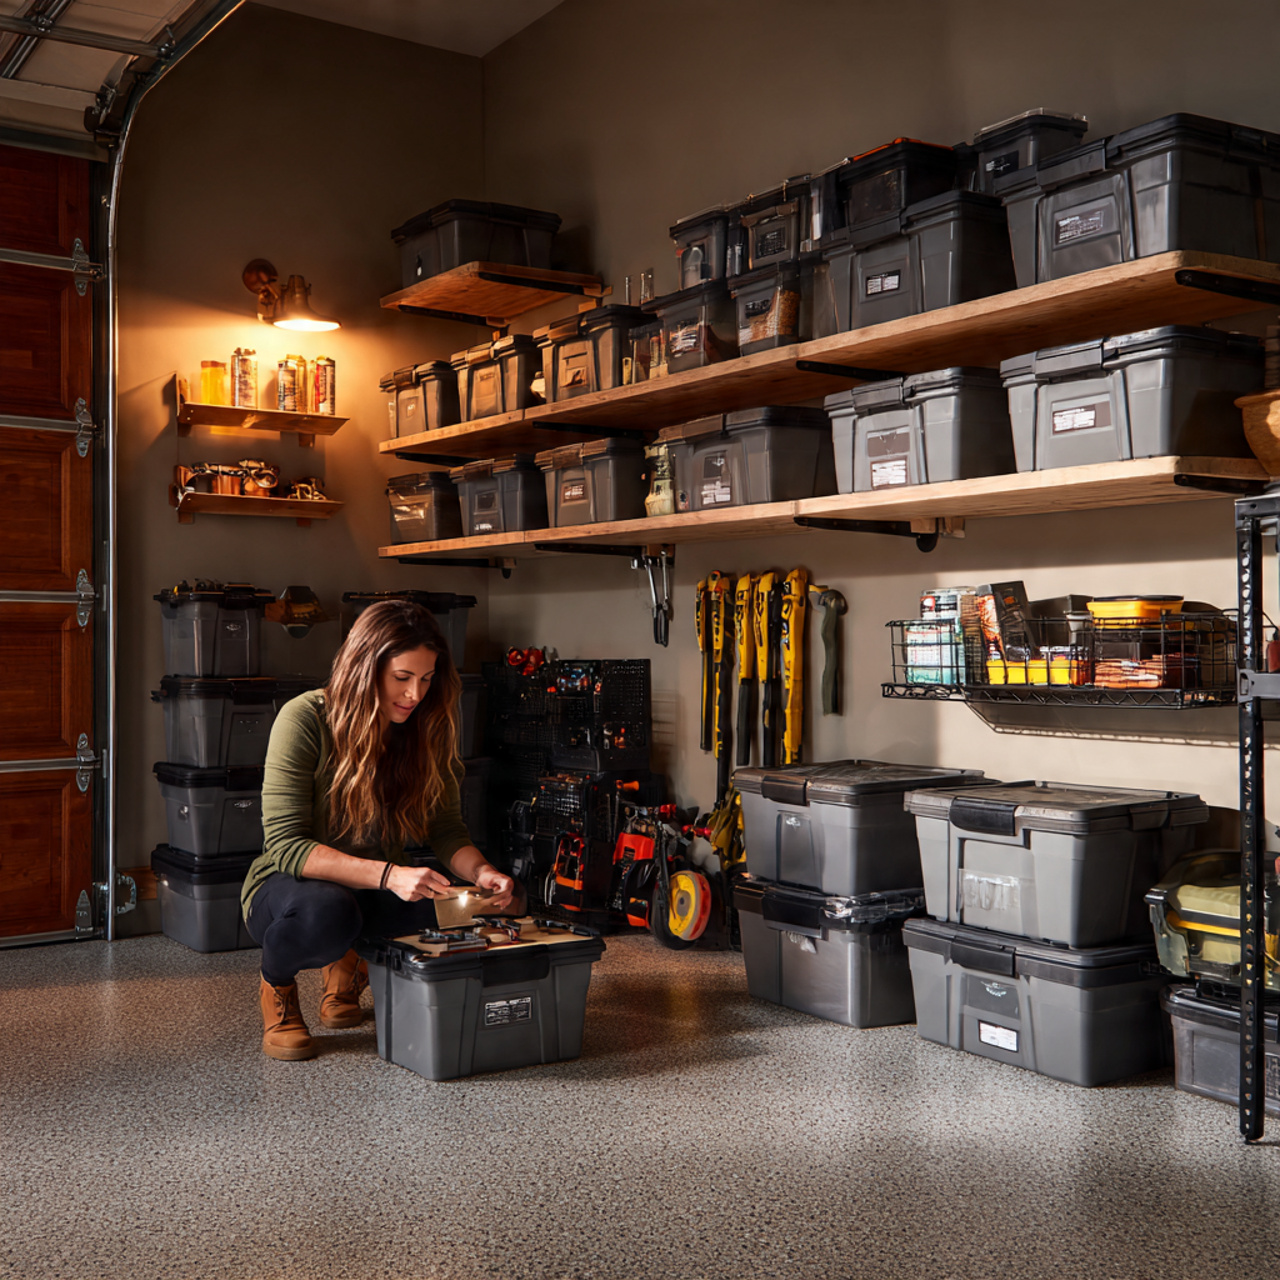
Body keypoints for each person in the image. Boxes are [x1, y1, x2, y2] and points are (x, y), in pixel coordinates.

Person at [241, 599, 517, 1061]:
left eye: (426, 679)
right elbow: (287, 846)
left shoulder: (428, 728)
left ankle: (348, 964)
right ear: (365, 667)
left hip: (378, 882)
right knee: (329, 912)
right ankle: (278, 987)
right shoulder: (305, 718)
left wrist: (483, 872)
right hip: (291, 887)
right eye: (402, 678)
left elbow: (446, 828)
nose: (415, 694)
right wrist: (390, 876)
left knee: (474, 909)